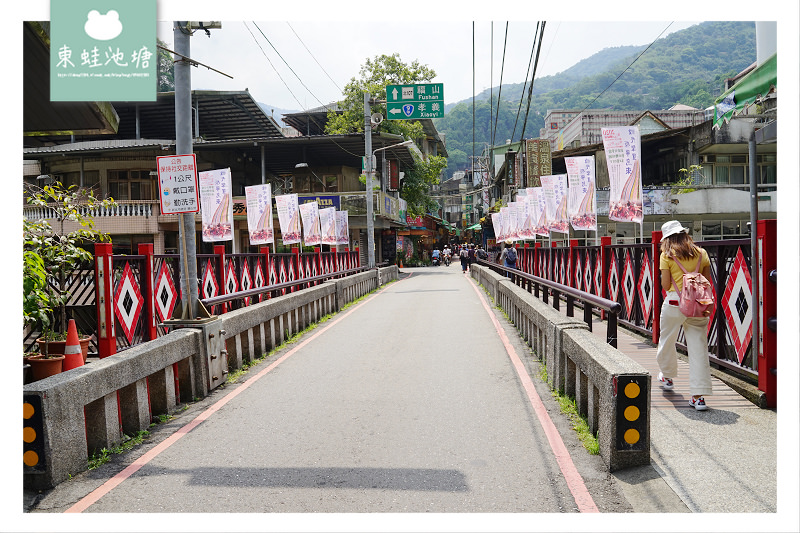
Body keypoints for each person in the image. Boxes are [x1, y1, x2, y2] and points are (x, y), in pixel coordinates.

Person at [656, 220, 713, 411]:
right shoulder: (701, 253)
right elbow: (706, 282)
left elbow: (665, 285)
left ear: (667, 238)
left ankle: (668, 376)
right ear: (684, 234)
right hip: (698, 305)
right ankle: (698, 397)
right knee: (698, 349)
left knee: (667, 340)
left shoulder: (667, 255)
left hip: (675, 302)